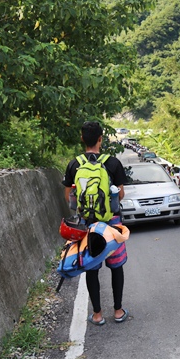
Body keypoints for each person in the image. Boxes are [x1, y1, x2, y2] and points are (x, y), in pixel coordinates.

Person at [62, 121, 129, 325]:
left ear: (82, 138)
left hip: (88, 225)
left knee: (91, 268)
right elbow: (121, 195)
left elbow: (69, 197)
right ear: (101, 138)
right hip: (112, 223)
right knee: (116, 267)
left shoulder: (75, 164)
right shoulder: (113, 163)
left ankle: (98, 315)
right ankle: (118, 311)